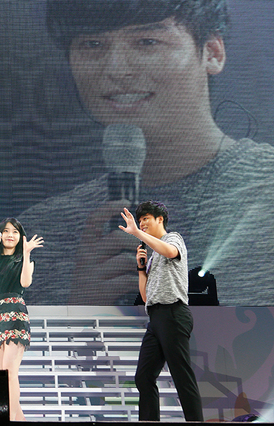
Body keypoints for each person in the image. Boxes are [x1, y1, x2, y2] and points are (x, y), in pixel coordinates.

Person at [18, 0, 274, 306]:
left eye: (147, 42)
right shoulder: (39, 235)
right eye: (92, 44)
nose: (116, 69)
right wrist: (79, 315)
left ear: (212, 53)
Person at [119, 201, 203, 421]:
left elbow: (171, 251)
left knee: (181, 376)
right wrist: (141, 269)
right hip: (156, 318)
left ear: (160, 219)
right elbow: (146, 296)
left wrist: (137, 233)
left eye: (146, 218)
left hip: (173, 313)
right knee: (143, 376)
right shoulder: (153, 255)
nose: (142, 223)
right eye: (140, 221)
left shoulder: (172, 238)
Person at [0, 218, 43, 421]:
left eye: (15, 231)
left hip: (15, 315)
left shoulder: (25, 260)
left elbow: (25, 282)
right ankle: (15, 418)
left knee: (9, 372)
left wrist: (26, 253)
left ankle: (10, 419)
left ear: (20, 236)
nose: (10, 235)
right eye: (6, 231)